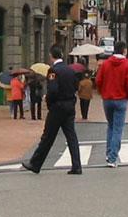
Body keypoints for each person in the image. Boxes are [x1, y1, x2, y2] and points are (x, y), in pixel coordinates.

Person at [21, 45, 83, 174]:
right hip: (70, 105)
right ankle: (77, 165)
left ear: (51, 56)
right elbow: (76, 86)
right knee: (71, 136)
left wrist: (48, 101)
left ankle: (35, 163)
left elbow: (53, 90)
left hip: (57, 107)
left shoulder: (53, 71)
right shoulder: (70, 70)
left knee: (48, 136)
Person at [95, 40, 128, 167]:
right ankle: (113, 157)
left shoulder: (106, 64)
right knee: (118, 129)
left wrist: (103, 92)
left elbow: (98, 80)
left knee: (111, 126)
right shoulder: (127, 65)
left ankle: (109, 153)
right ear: (124, 50)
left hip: (107, 99)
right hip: (120, 99)